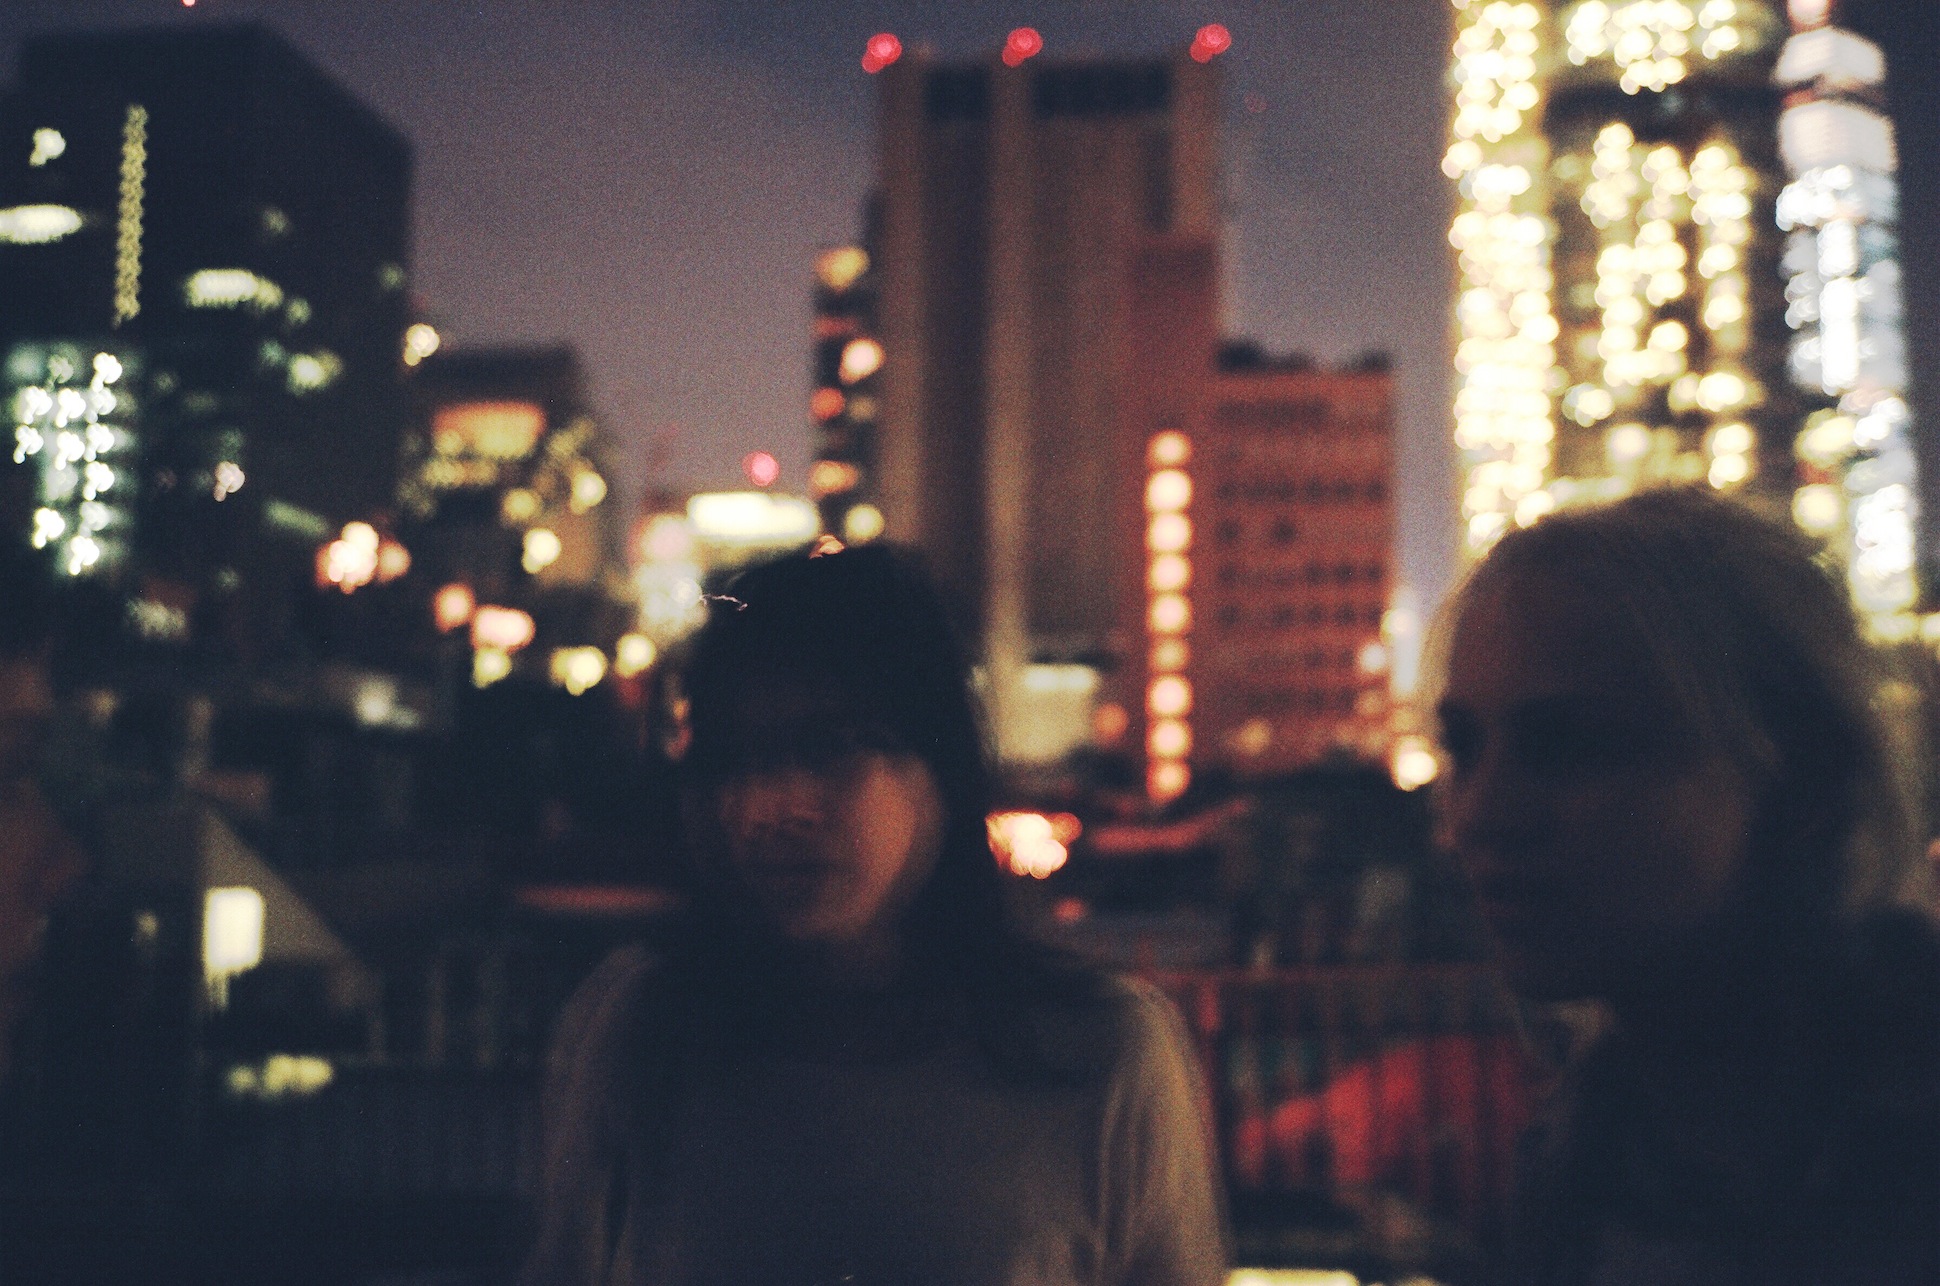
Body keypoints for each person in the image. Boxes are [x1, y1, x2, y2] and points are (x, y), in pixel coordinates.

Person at [522, 544, 1227, 1286]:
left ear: (939, 770)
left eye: (827, 749)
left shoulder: (1100, 1059)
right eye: (730, 758)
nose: (766, 809)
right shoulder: (645, 1031)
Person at [1434, 487, 1940, 1285]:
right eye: (1464, 747)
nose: (1477, 816)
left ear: (1800, 779)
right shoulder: (1581, 1166)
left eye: (1571, 746)